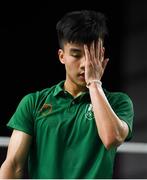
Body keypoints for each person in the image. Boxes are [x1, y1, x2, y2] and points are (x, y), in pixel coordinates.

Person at [0, 10, 134, 179]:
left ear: (101, 55)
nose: (85, 64)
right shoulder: (34, 102)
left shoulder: (118, 102)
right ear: (61, 56)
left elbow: (111, 138)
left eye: (91, 56)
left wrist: (94, 83)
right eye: (76, 55)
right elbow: (13, 165)